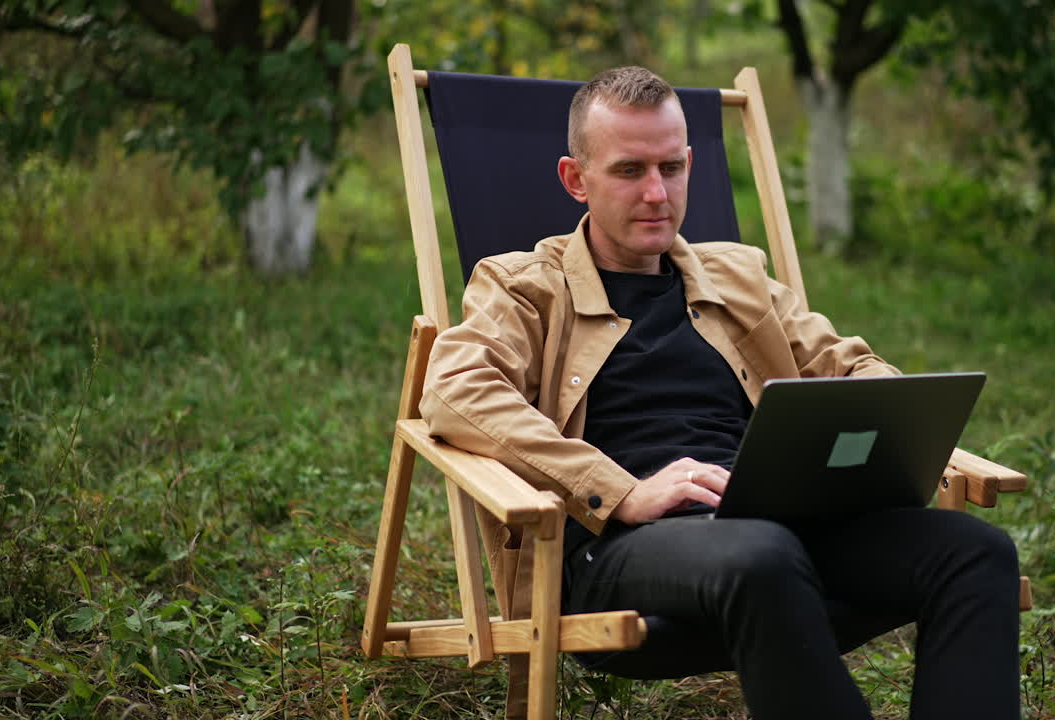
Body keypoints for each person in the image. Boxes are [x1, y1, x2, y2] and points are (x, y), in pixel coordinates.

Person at [421, 66, 1021, 719]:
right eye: (629, 171)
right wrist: (620, 490)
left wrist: (886, 417)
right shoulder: (523, 288)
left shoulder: (739, 276)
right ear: (576, 179)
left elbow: (845, 362)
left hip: (772, 527)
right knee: (762, 552)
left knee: (974, 551)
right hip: (619, 552)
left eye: (671, 168)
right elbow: (455, 389)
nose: (657, 192)